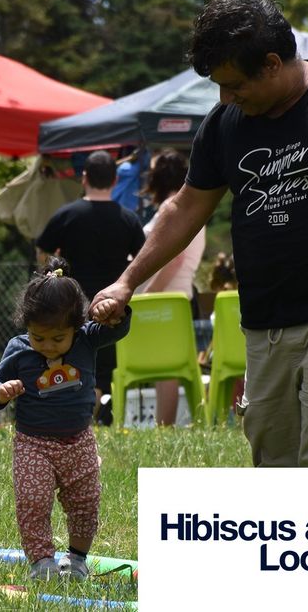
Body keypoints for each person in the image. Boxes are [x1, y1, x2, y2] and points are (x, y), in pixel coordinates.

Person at [90, 0, 308, 467]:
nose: (226, 98)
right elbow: (185, 208)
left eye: (234, 84)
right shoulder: (226, 124)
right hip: (265, 320)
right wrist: (126, 282)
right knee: (271, 457)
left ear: (271, 63)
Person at [0, 257, 132, 581]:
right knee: (32, 500)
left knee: (85, 503)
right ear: (27, 327)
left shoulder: (86, 338)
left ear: (75, 327)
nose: (48, 347)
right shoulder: (19, 349)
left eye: (57, 339)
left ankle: (77, 560)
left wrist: (117, 311)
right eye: (39, 338)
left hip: (78, 441)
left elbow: (119, 327)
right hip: (33, 443)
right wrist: (2, 392)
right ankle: (42, 562)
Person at [36, 150, 146, 425]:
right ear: (114, 180)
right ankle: (102, 418)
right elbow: (142, 260)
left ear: (84, 178)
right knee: (106, 365)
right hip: (111, 308)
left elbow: (43, 252)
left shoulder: (66, 215)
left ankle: (70, 416)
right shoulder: (128, 219)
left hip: (70, 306)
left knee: (69, 360)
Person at [135, 149, 205, 426]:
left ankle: (163, 425)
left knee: (165, 368)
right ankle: (165, 426)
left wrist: (147, 294)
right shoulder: (193, 207)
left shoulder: (171, 207)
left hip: (164, 299)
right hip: (181, 296)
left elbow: (174, 258)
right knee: (171, 368)